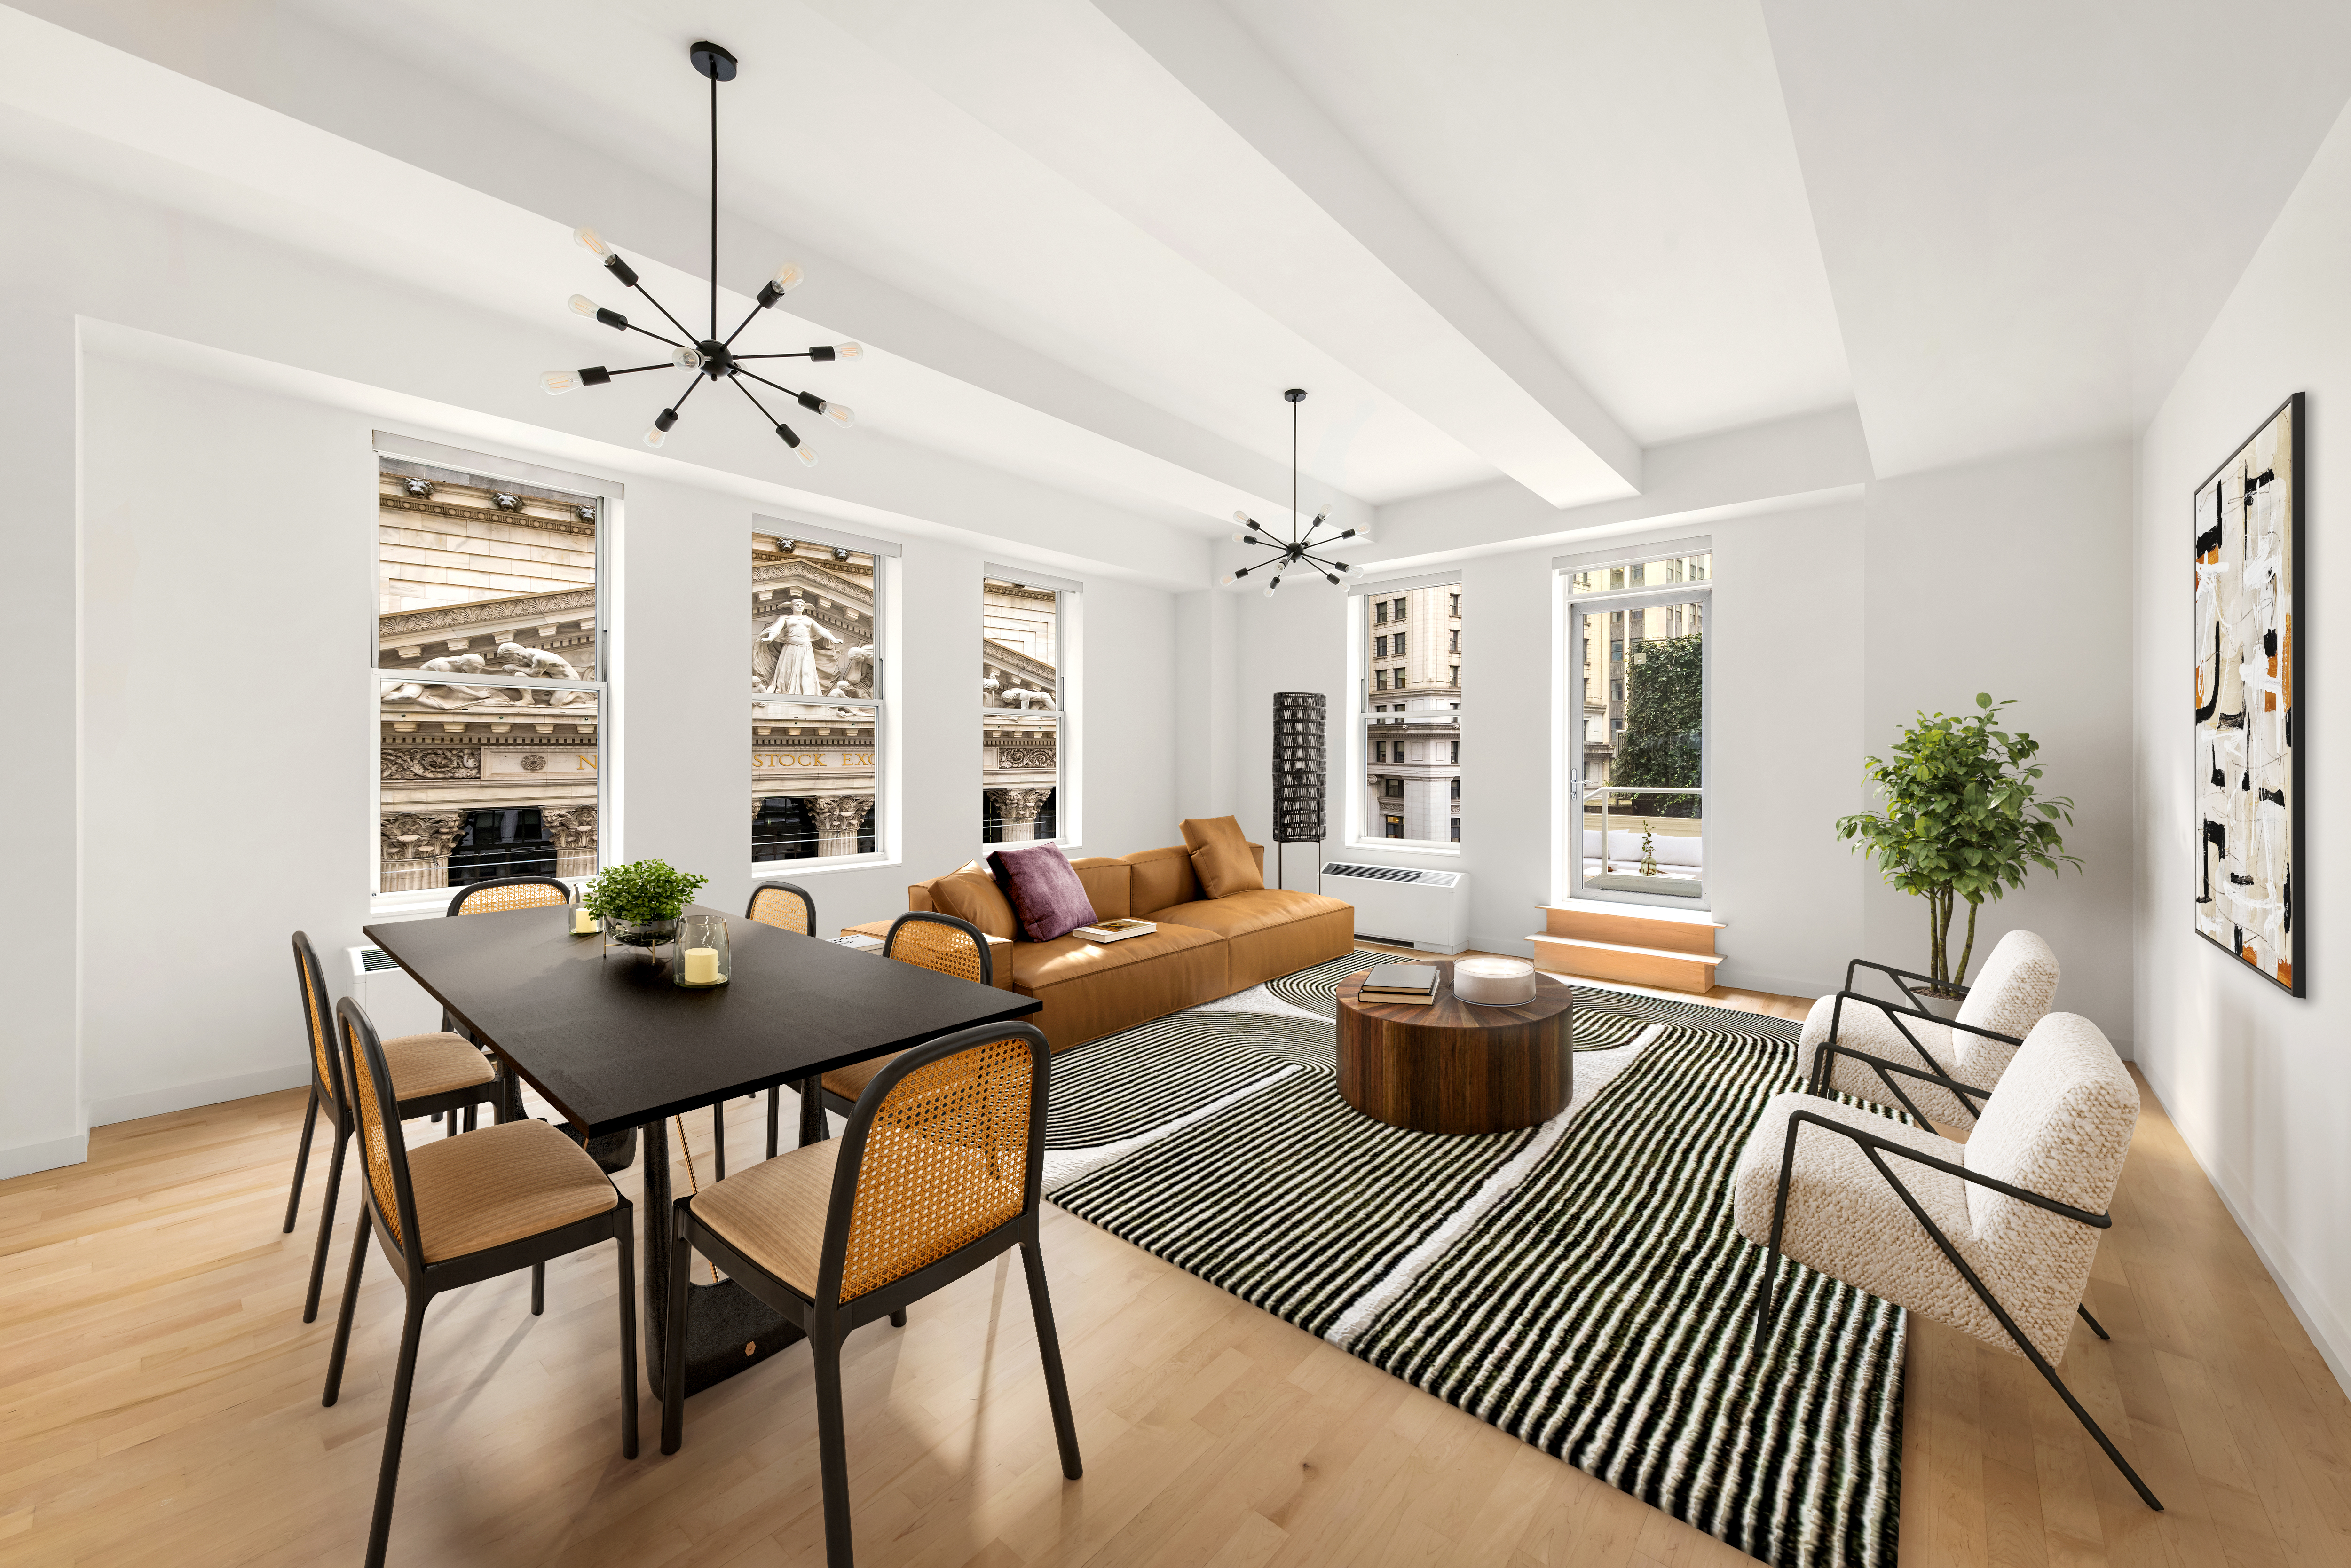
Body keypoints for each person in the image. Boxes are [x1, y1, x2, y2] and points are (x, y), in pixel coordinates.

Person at [758, 597, 843, 695]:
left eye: (802, 605)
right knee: (787, 672)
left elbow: (821, 630)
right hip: (791, 648)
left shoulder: (809, 620)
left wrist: (834, 639)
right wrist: (770, 638)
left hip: (806, 648)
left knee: (807, 671)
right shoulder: (785, 618)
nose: (800, 607)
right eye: (797, 605)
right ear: (792, 607)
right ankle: (788, 692)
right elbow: (776, 630)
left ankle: (808, 694)